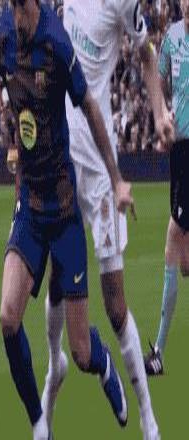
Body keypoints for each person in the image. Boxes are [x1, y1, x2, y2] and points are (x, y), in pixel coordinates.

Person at [0, 1, 134, 438]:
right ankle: (39, 423)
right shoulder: (4, 31)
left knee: (81, 353)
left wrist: (116, 179)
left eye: (21, 7)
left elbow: (90, 107)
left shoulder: (56, 42)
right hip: (30, 208)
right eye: (11, 7)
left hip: (65, 210)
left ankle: (103, 361)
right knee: (7, 317)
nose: (16, 16)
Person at [40, 1, 175, 438]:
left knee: (116, 306)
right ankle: (53, 370)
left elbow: (147, 53)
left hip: (100, 170)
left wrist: (159, 112)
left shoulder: (123, 4)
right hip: (60, 159)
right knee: (57, 278)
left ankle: (149, 419)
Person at [145, 0, 189, 376]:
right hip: (180, 150)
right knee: (184, 258)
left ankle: (158, 351)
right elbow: (159, 81)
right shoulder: (172, 38)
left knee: (173, 240)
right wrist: (162, 114)